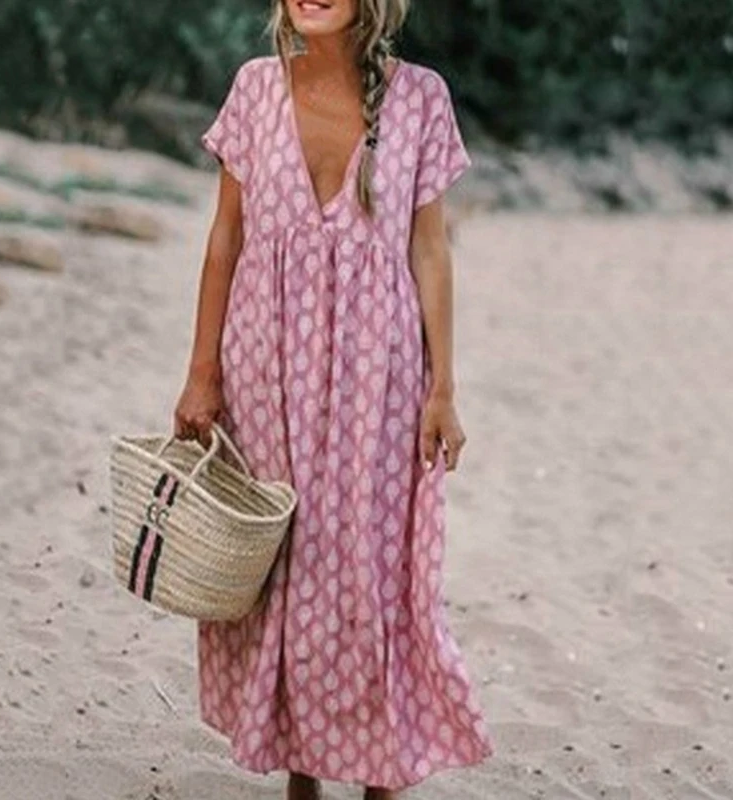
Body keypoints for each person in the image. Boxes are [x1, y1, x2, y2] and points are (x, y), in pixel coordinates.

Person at [173, 0, 495, 797]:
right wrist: (202, 371)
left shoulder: (422, 97)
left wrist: (443, 389)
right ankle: (303, 772)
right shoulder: (255, 89)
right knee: (285, 561)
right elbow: (225, 238)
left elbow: (430, 250)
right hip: (264, 365)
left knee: (368, 567)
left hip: (379, 374)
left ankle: (382, 770)